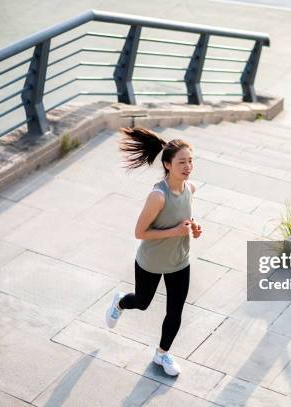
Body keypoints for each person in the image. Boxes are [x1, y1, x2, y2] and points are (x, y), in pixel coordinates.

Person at [105, 126, 202, 376]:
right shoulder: (158, 196)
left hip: (180, 261)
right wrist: (174, 232)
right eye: (182, 162)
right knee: (142, 302)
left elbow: (184, 219)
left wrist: (194, 227)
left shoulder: (190, 188)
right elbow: (140, 232)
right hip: (151, 261)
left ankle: (162, 354)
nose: (188, 166)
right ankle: (120, 302)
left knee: (175, 311)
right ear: (168, 165)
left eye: (191, 161)